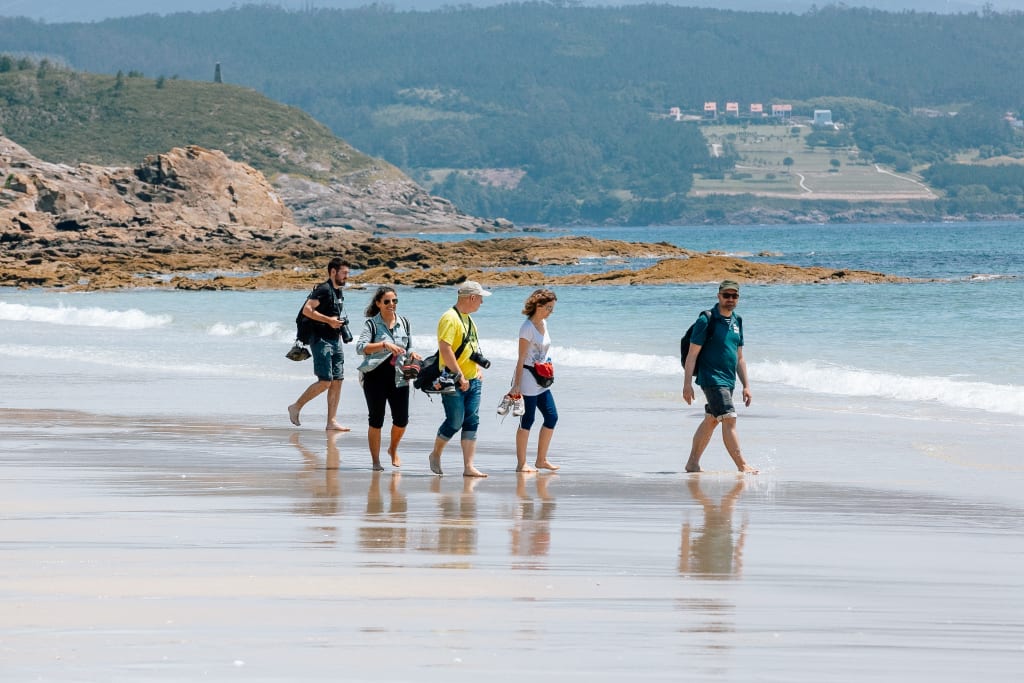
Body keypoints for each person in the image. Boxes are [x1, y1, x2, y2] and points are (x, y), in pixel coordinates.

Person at [682, 280, 758, 474]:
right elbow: (692, 354)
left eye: (734, 296)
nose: (730, 299)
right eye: (726, 295)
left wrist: (746, 385)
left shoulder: (737, 321)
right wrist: (687, 384)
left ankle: (692, 464)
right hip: (711, 379)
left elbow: (739, 357)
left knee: (712, 420)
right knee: (730, 419)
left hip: (728, 380)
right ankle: (742, 465)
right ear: (719, 296)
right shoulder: (706, 320)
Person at [427, 280, 491, 478]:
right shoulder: (449, 318)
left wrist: (477, 369)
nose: (481, 302)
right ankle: (436, 454)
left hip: (473, 379)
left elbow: (470, 349)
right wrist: (460, 375)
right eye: (480, 298)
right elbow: (445, 349)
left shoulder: (470, 320)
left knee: (472, 420)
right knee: (455, 421)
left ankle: (469, 466)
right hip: (452, 379)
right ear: (472, 297)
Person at [356, 286, 419, 471]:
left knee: (402, 420)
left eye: (394, 301)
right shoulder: (372, 324)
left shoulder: (405, 322)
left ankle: (393, 449)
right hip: (374, 376)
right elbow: (361, 348)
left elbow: (409, 347)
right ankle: (375, 461)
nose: (392, 304)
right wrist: (384, 345)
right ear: (378, 304)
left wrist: (414, 354)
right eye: (387, 301)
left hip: (400, 377)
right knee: (376, 420)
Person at [288, 257, 352, 432]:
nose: (347, 276)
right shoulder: (323, 289)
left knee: (338, 381)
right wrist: (329, 321)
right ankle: (296, 406)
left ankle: (331, 421)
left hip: (335, 340)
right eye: (344, 273)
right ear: (333, 272)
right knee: (325, 381)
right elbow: (307, 310)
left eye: (348, 273)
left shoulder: (337, 291)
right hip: (321, 340)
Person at [508, 288, 560, 472]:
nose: (550, 312)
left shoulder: (544, 323)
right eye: (548, 308)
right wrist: (516, 385)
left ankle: (541, 460)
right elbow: (521, 358)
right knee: (527, 420)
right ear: (538, 305)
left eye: (552, 308)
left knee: (552, 417)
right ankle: (521, 463)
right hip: (529, 378)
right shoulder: (527, 328)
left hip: (543, 378)